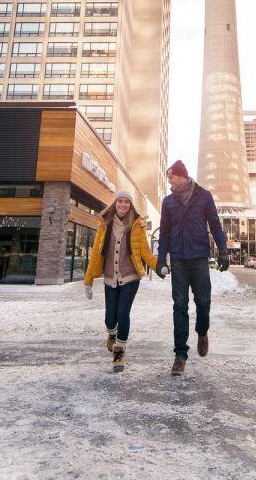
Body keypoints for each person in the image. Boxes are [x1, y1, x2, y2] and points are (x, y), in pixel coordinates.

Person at [155, 160, 228, 377]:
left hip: (198, 257)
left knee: (203, 302)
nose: (169, 181)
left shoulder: (203, 196)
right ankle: (180, 354)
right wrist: (161, 259)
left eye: (172, 178)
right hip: (178, 258)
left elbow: (215, 224)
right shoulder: (168, 202)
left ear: (182, 176)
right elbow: (164, 232)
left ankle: (202, 332)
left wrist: (223, 251)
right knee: (179, 305)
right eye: (168, 178)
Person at [83, 189, 156, 373]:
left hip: (131, 276)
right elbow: (96, 253)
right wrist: (88, 280)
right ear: (115, 204)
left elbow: (145, 252)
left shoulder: (137, 225)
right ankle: (111, 333)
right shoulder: (104, 225)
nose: (123, 204)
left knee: (123, 313)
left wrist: (159, 267)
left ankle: (119, 355)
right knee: (110, 318)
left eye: (126, 202)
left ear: (130, 205)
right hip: (110, 277)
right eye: (120, 201)